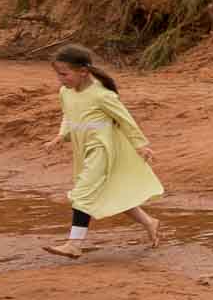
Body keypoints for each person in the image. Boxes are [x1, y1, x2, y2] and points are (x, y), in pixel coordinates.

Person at [44, 44, 163, 258]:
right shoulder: (65, 92)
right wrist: (61, 136)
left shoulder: (102, 95)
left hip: (103, 148)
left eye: (64, 74)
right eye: (58, 75)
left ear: (83, 72)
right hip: (83, 149)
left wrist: (140, 145)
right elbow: (68, 116)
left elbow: (125, 120)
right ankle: (149, 221)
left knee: (83, 194)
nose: (61, 79)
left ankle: (74, 244)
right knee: (109, 191)